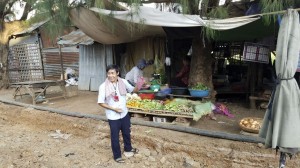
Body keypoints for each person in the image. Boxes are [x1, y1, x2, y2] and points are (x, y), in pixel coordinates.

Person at [98, 64, 143, 163]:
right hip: (113, 116)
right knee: (115, 136)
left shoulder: (123, 82)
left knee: (127, 133)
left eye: (113, 73)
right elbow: (101, 102)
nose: (110, 75)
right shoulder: (103, 86)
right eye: (109, 73)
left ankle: (128, 149)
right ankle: (117, 156)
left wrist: (139, 84)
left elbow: (133, 90)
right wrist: (114, 109)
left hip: (124, 114)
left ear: (117, 73)